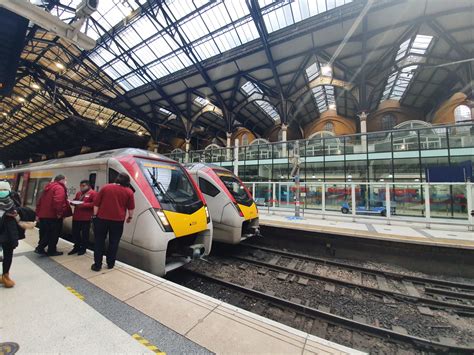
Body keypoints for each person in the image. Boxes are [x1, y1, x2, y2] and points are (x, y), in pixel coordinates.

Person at [91, 173, 135, 271]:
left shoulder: (106, 187)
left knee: (99, 241)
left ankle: (97, 265)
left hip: (101, 219)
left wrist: (94, 215)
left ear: (117, 179)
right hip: (118, 221)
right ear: (127, 182)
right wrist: (130, 217)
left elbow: (96, 204)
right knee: (114, 242)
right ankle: (110, 264)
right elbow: (131, 208)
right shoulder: (129, 192)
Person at [35, 174, 71, 256]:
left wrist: (38, 214)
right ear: (61, 180)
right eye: (65, 180)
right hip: (53, 216)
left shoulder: (48, 187)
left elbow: (39, 201)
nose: (66, 182)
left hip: (44, 215)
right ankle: (49, 250)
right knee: (53, 234)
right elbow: (58, 201)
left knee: (45, 233)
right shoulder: (59, 188)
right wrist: (59, 213)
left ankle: (41, 248)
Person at [68, 180, 96, 255]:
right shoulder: (79, 193)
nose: (81, 187)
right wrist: (72, 202)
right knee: (75, 233)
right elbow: (75, 200)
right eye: (80, 186)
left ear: (88, 186)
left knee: (85, 234)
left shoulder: (93, 193)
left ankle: (83, 248)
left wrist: (83, 205)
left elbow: (94, 204)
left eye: (83, 186)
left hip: (86, 218)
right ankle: (76, 247)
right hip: (76, 217)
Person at [0, 181, 19, 288]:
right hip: (8, 234)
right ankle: (5, 276)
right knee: (8, 256)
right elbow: (17, 219)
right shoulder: (13, 203)